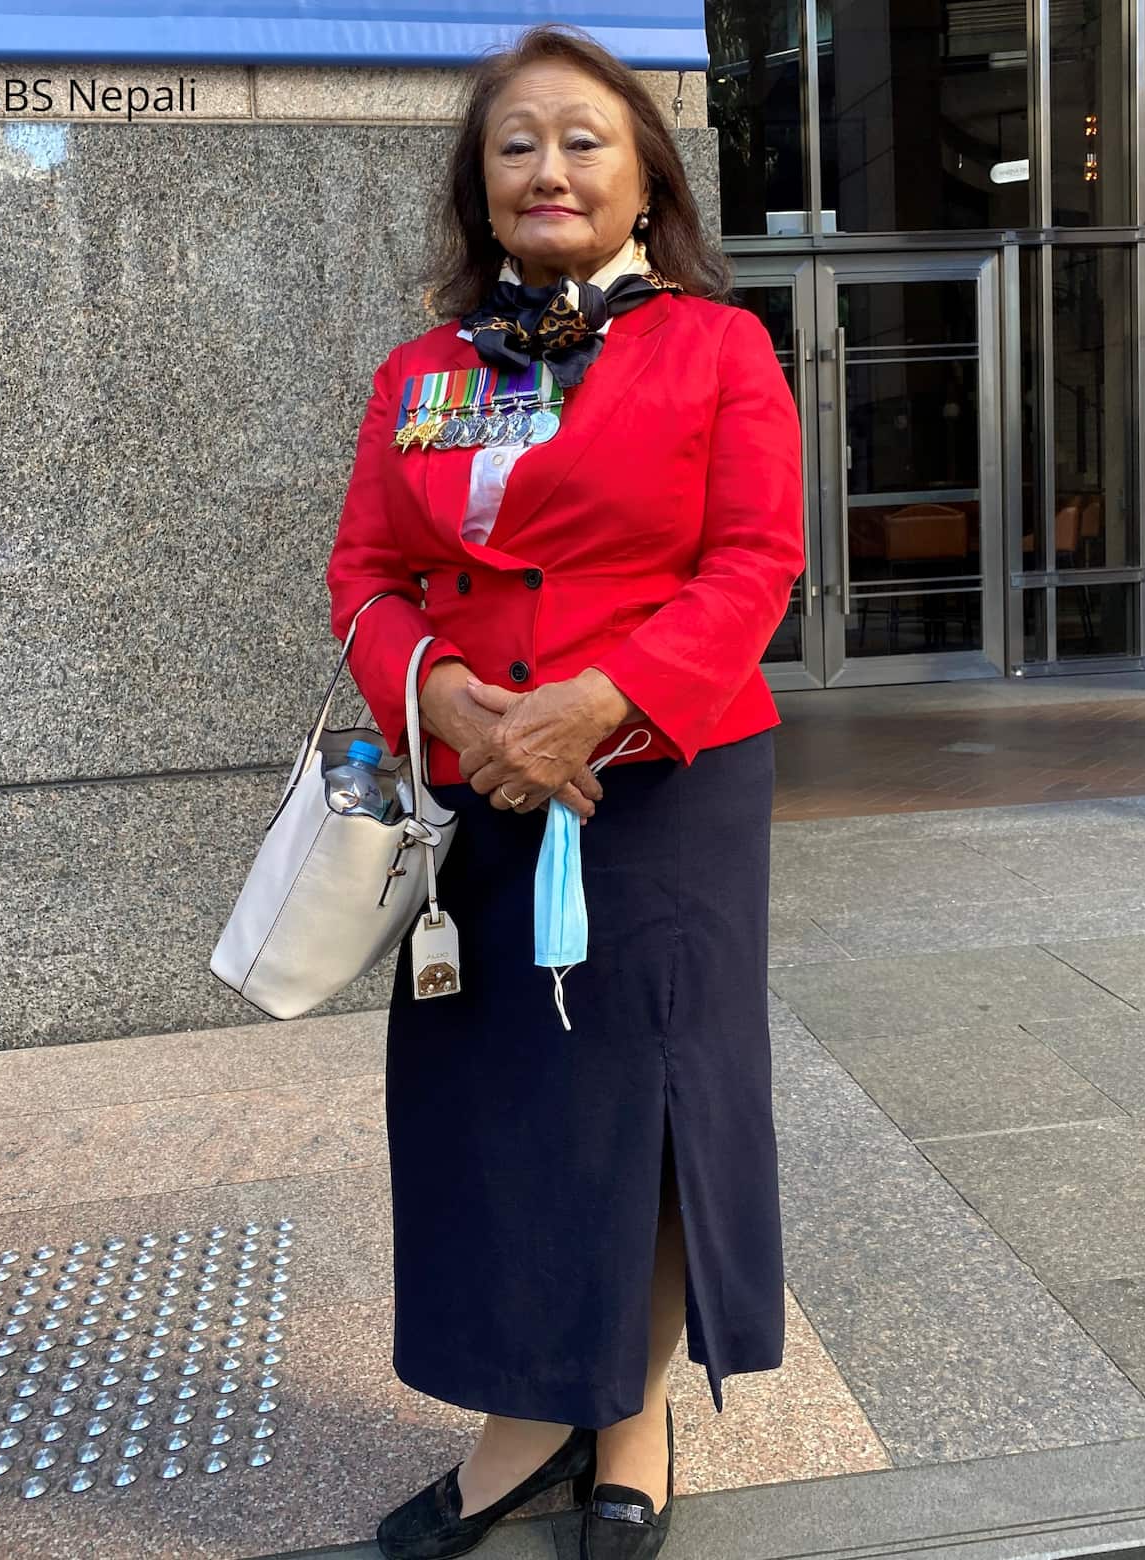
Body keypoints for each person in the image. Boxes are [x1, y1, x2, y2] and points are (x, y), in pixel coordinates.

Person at [325, 22, 804, 1560]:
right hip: (475, 792)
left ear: (646, 183)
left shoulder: (717, 347)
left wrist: (598, 704)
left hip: (666, 785)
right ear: (480, 188)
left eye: (584, 139)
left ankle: (632, 1419)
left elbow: (755, 563)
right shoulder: (423, 375)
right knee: (501, 1109)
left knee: (653, 1103)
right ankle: (527, 1419)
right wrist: (448, 697)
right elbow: (365, 574)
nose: (549, 165)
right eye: (515, 141)